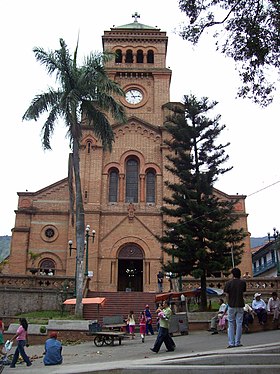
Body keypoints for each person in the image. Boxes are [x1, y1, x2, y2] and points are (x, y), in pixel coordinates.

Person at [224, 267, 246, 348]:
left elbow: (227, 295)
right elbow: (243, 293)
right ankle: (238, 342)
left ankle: (231, 343)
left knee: (231, 324)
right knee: (239, 323)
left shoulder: (228, 283)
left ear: (233, 274)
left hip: (231, 305)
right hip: (240, 305)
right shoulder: (243, 283)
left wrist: (228, 302)